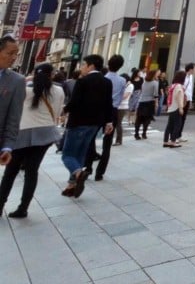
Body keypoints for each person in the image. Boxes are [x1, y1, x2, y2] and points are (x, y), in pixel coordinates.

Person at [0, 62, 64, 218]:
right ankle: (23, 208)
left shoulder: (26, 90)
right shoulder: (59, 91)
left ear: (35, 74)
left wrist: (28, 78)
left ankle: (0, 204)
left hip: (22, 133)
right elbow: (57, 112)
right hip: (45, 134)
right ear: (52, 74)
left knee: (10, 171)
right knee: (32, 171)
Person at [61, 54, 113, 198]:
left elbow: (75, 102)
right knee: (80, 154)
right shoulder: (107, 82)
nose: (82, 68)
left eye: (83, 65)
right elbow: (108, 103)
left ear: (91, 66)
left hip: (78, 122)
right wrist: (109, 122)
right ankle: (72, 185)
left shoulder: (82, 81)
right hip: (95, 124)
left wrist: (64, 110)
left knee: (68, 155)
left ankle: (79, 174)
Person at [85, 54, 126, 180]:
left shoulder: (102, 78)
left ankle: (88, 167)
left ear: (108, 64)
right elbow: (121, 96)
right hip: (113, 111)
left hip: (99, 110)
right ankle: (100, 173)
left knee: (90, 138)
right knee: (107, 144)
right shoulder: (122, 81)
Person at [0, 35, 26, 168]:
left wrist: (8, 147)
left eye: (16, 54)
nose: (14, 58)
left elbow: (14, 118)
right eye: (10, 53)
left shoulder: (17, 81)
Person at [163, 71, 186, 148]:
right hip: (176, 107)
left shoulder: (173, 85)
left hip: (171, 107)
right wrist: (181, 108)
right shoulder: (179, 86)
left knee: (169, 125)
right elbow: (179, 98)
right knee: (177, 125)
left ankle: (165, 141)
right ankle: (173, 141)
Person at [134, 68, 158, 139]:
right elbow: (156, 95)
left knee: (139, 118)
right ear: (153, 75)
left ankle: (136, 133)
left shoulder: (144, 82)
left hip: (141, 102)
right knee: (147, 119)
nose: (157, 75)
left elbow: (142, 91)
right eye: (156, 73)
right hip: (150, 102)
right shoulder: (155, 83)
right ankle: (144, 133)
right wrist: (156, 103)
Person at [180, 62, 195, 138]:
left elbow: (190, 89)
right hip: (182, 99)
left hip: (188, 99)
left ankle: (179, 135)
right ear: (190, 69)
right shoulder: (183, 76)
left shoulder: (191, 77)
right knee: (179, 117)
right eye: (194, 68)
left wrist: (191, 100)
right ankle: (175, 136)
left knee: (183, 117)